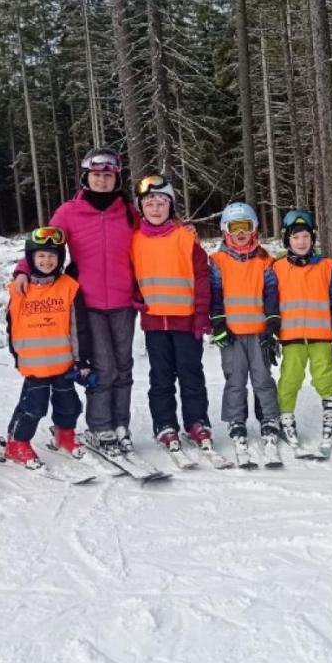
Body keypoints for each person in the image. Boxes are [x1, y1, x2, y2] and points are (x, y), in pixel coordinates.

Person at [11, 149, 138, 459]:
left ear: (116, 178)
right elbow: (43, 244)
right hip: (87, 302)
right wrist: (23, 270)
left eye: (108, 176)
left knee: (124, 367)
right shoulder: (69, 212)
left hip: (124, 301)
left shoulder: (130, 211)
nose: (102, 180)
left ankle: (121, 424)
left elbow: (154, 236)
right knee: (103, 367)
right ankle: (99, 426)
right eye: (96, 175)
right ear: (86, 177)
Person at [129, 175, 214, 458]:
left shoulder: (185, 237)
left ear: (171, 206)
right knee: (161, 378)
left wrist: (202, 315)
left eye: (161, 202)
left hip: (186, 321)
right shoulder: (134, 240)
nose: (155, 208)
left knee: (191, 375)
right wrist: (135, 294)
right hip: (155, 324)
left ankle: (197, 421)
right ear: (141, 207)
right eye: (149, 203)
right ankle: (165, 423)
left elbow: (202, 277)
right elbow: (129, 273)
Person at [0, 226, 93, 468]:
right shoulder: (20, 288)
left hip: (63, 362)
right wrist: (17, 355)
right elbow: (13, 326)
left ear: (60, 259)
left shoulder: (69, 287)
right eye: (41, 256)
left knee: (68, 404)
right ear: (30, 259)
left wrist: (81, 360)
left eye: (52, 256)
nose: (47, 261)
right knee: (33, 407)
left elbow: (77, 327)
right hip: (34, 364)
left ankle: (65, 434)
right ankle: (17, 442)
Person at [209, 201, 282, 457]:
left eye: (245, 227)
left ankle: (270, 418)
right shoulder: (218, 261)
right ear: (225, 231)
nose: (240, 233)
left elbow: (272, 294)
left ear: (254, 230)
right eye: (235, 227)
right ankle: (235, 419)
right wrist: (217, 322)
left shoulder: (265, 261)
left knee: (263, 378)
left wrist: (273, 323)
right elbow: (215, 295)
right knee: (235, 379)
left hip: (259, 331)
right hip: (231, 333)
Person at [269, 210, 332, 450]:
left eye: (305, 236)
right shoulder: (277, 268)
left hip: (321, 335)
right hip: (290, 337)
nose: (301, 242)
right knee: (290, 379)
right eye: (295, 237)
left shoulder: (326, 266)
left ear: (312, 238)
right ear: (287, 241)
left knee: (325, 376)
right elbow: (271, 302)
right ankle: (285, 418)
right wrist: (270, 332)